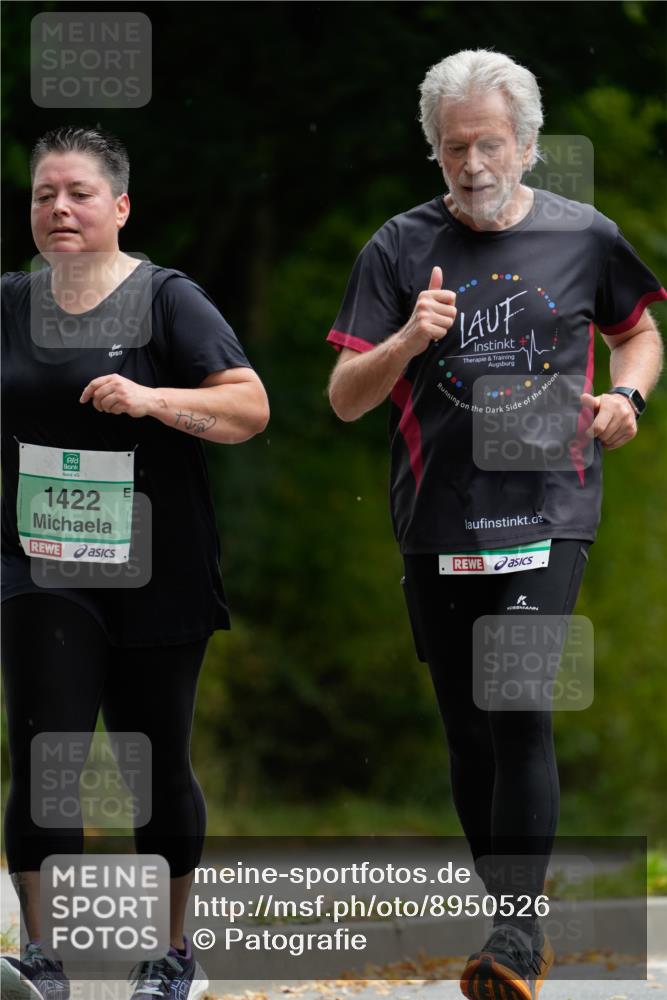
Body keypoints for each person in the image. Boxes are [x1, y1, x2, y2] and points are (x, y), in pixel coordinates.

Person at [326, 49, 665, 1000]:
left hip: (546, 511)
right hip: (438, 519)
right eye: (451, 150)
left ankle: (512, 937)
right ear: (433, 155)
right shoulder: (397, 248)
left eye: (487, 145)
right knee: (468, 734)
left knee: (517, 714)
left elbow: (638, 328)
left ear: (526, 145)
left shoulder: (583, 235)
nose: (471, 165)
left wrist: (627, 396)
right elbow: (347, 399)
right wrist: (407, 339)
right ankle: (511, 922)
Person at [1, 126, 270, 1000]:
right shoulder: (8, 302)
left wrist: (151, 398)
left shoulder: (167, 301)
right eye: (44, 195)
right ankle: (41, 960)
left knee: (153, 761)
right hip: (42, 564)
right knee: (47, 751)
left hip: (158, 564)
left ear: (119, 206)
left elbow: (248, 408)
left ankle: (173, 953)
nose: (59, 209)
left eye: (78, 193)